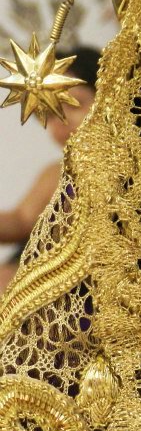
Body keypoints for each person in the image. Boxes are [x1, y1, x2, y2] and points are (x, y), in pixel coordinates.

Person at [0, 46, 98, 290]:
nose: (63, 123)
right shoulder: (59, 172)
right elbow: (21, 219)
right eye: (51, 116)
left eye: (74, 105)